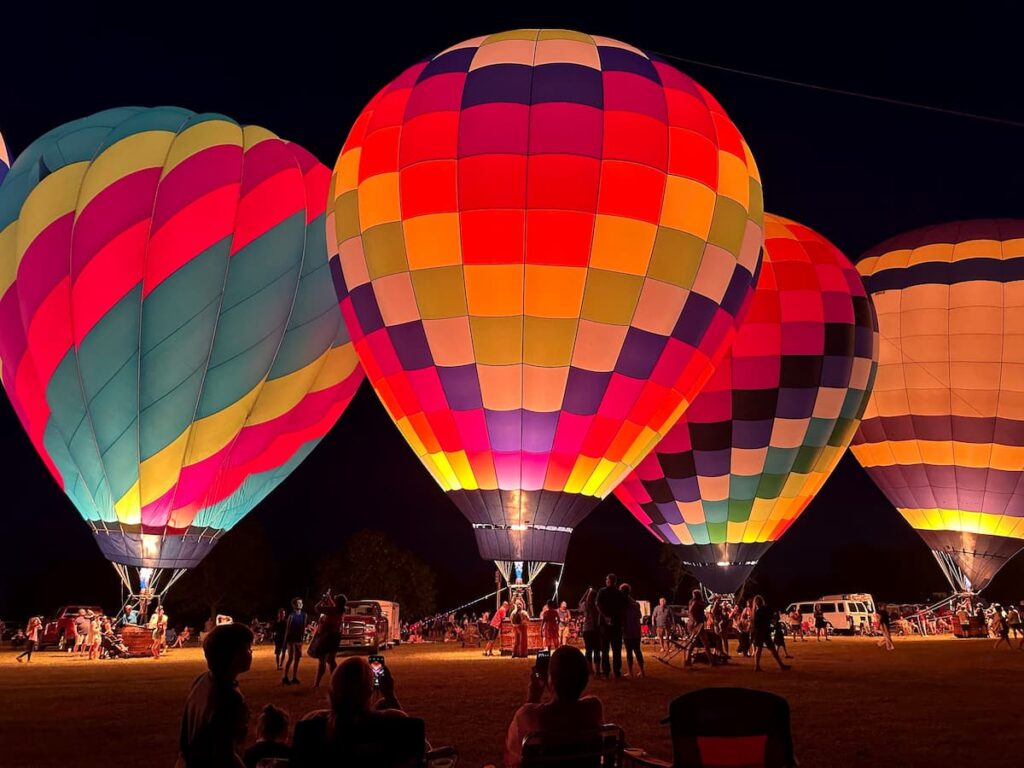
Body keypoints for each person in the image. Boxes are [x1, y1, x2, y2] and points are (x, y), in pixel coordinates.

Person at [291, 657, 406, 765]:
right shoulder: (393, 721)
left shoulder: (311, 723)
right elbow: (420, 748)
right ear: (370, 691)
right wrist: (390, 696)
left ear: (332, 689)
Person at [504, 645, 604, 768]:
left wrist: (533, 698)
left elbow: (513, 761)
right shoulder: (593, 708)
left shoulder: (528, 715)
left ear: (550, 679)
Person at [175, 623, 253, 768]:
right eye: (248, 649)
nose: (251, 652)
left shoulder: (203, 680)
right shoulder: (229, 698)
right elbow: (225, 755)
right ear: (234, 656)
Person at [312, 591, 346, 689]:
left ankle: (318, 684)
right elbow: (333, 605)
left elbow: (317, 608)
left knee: (323, 660)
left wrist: (323, 599)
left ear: (338, 602)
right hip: (335, 637)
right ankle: (336, 682)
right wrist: (329, 598)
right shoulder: (340, 610)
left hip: (327, 636)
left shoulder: (333, 610)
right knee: (331, 660)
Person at [596, 573, 626, 677]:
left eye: (607, 579)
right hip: (616, 623)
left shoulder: (602, 591)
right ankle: (617, 671)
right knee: (616, 649)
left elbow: (598, 604)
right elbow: (623, 608)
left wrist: (604, 617)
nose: (606, 581)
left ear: (609, 581)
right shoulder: (619, 593)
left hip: (605, 624)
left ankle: (606, 671)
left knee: (605, 649)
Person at [751, 596, 791, 671]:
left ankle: (757, 666)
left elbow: (757, 623)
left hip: (761, 632)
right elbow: (769, 618)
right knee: (766, 649)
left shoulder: (756, 612)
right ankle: (780, 665)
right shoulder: (761, 610)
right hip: (763, 632)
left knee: (762, 649)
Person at [620, 583, 644, 678]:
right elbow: (640, 616)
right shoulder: (636, 604)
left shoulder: (623, 605)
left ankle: (630, 671)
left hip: (627, 630)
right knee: (637, 650)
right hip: (636, 630)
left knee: (629, 651)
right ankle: (642, 671)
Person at [685, 589, 715, 666]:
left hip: (697, 624)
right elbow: (691, 611)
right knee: (694, 642)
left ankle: (711, 661)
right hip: (696, 624)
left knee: (705, 642)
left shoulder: (694, 602)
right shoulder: (695, 602)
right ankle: (687, 660)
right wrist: (696, 621)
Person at [283, 597, 308, 685]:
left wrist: (302, 638)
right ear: (294, 605)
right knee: (290, 658)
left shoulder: (304, 615)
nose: (301, 604)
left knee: (297, 658)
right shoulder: (291, 616)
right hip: (291, 640)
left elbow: (303, 627)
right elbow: (288, 629)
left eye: (301, 602)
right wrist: (285, 642)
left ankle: (294, 677)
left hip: (298, 640)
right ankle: (285, 677)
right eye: (298, 603)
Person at [579, 587, 602, 675]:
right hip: (596, 629)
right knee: (597, 650)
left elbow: (579, 603)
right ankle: (598, 670)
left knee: (588, 650)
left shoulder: (585, 604)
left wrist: (586, 593)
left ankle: (590, 670)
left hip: (587, 629)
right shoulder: (597, 605)